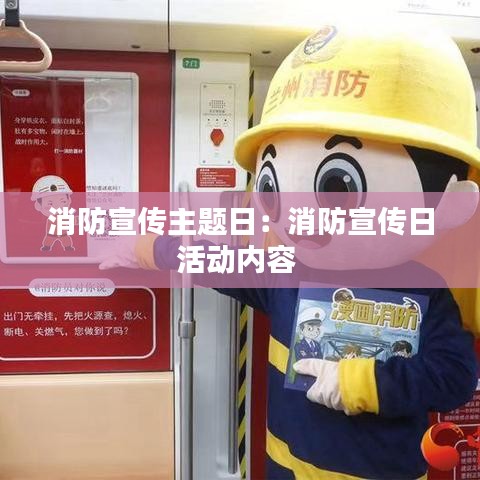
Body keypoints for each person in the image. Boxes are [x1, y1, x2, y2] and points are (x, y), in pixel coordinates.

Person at [102, 24, 480, 480]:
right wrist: (147, 248)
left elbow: (455, 376)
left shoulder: (425, 288)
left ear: (451, 202)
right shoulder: (285, 269)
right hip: (287, 468)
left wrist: (365, 383)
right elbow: (215, 261)